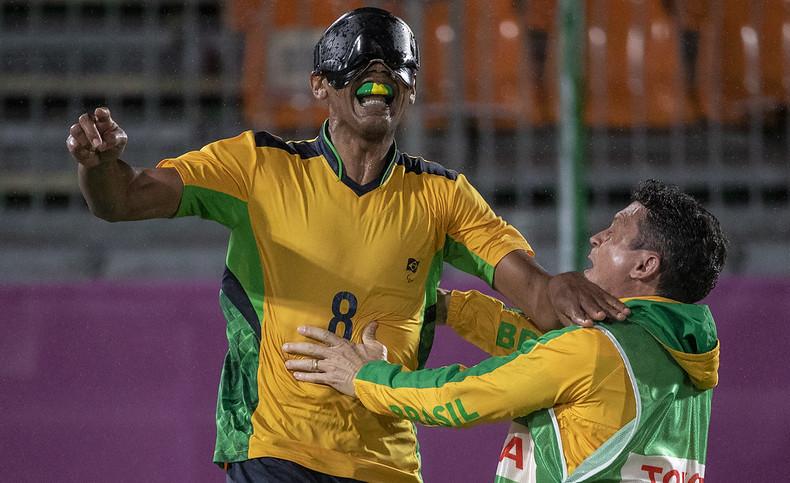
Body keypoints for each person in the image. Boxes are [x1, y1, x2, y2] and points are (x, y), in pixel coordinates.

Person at [66, 6, 629, 482]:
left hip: (386, 460)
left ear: (409, 90)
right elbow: (123, 200)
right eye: (358, 66)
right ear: (320, 87)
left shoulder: (444, 196)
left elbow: (531, 289)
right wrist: (100, 168)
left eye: (393, 69)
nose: (378, 75)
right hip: (275, 447)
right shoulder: (257, 166)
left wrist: (563, 291)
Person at [284, 179, 727, 482]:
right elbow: (550, 355)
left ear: (645, 265)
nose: (596, 238)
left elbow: (463, 397)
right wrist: (454, 307)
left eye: (613, 233)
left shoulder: (598, 352)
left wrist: (365, 377)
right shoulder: (680, 358)